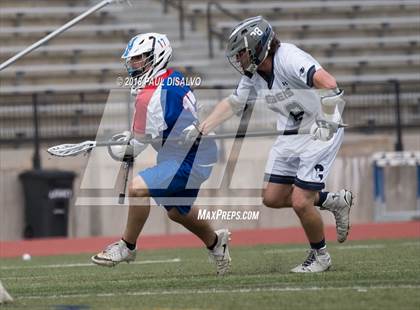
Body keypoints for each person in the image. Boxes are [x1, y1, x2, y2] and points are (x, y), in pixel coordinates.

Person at [184, 16, 353, 273]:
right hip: (290, 132)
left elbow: (329, 83)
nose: (239, 60)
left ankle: (320, 256)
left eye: (241, 53)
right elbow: (234, 103)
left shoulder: (289, 58)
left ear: (256, 46)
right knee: (272, 198)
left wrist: (328, 119)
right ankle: (332, 201)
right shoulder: (255, 74)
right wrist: (202, 128)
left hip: (318, 132)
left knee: (300, 201)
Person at [91, 33, 231, 276]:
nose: (133, 63)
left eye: (139, 58)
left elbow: (141, 142)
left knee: (137, 188)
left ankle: (127, 246)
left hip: (189, 156)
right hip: (185, 152)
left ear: (156, 56)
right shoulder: (171, 76)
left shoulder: (152, 94)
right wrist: (129, 141)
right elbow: (151, 132)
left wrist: (124, 148)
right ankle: (216, 243)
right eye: (132, 59)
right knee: (177, 211)